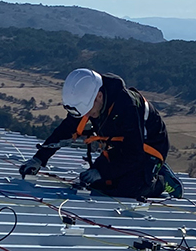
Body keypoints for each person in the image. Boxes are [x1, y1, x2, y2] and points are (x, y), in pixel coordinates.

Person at [18, 68, 181, 199]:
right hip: (120, 145)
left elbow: (134, 152)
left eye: (88, 112)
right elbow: (65, 130)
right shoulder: (88, 100)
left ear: (99, 96)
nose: (87, 116)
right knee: (97, 184)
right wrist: (39, 158)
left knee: (129, 189)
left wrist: (101, 171)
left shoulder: (127, 107)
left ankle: (161, 180)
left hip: (148, 146)